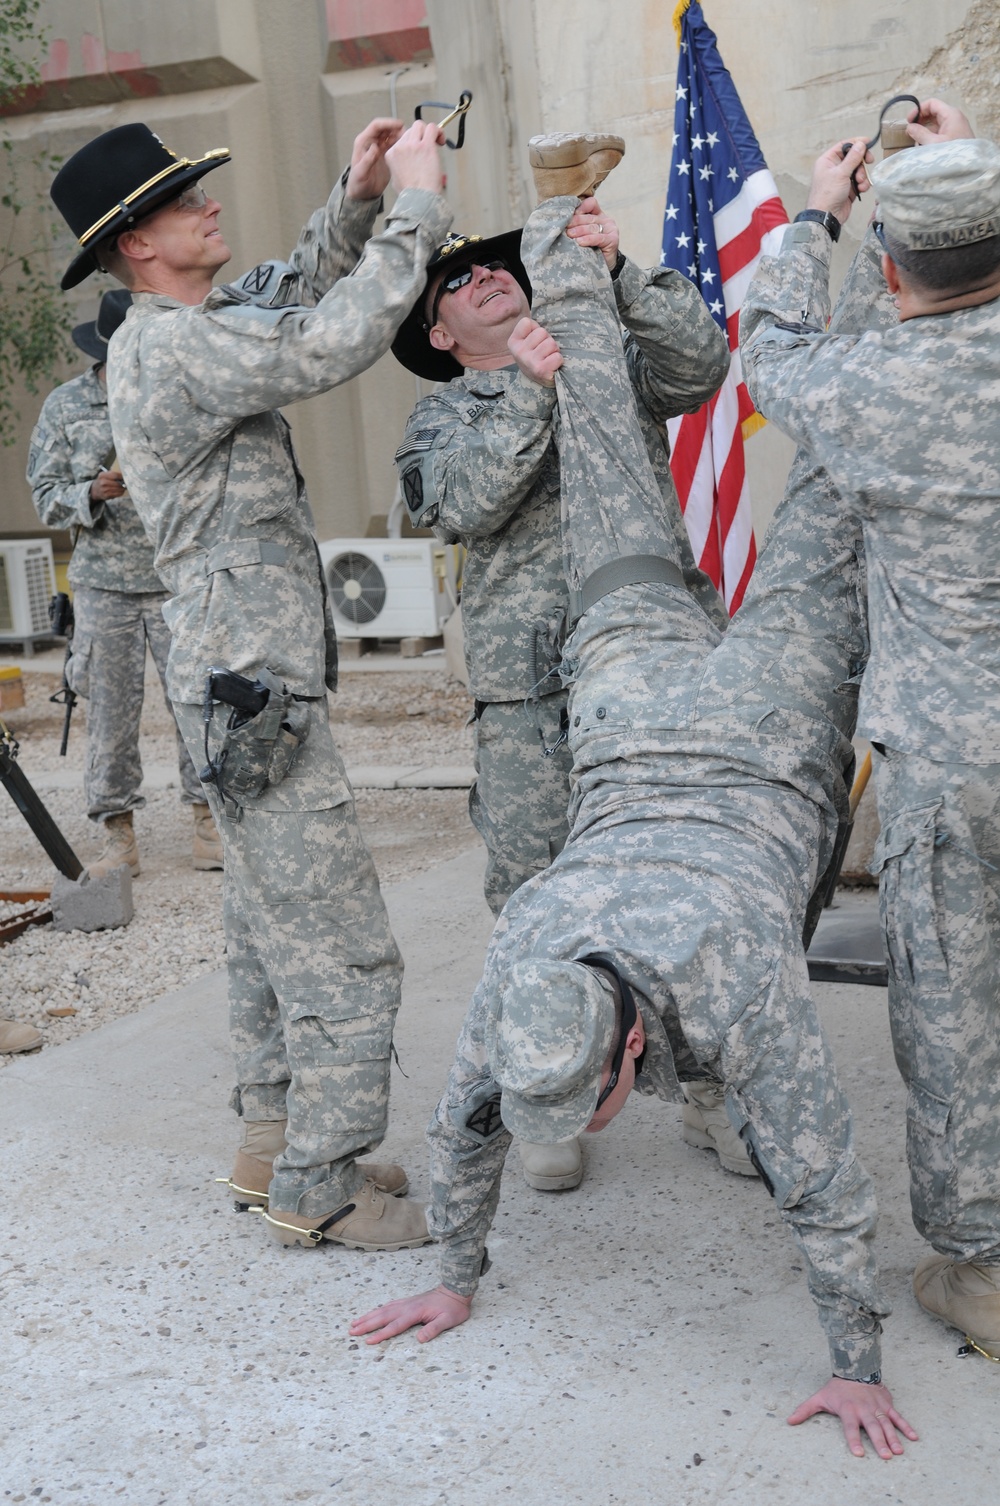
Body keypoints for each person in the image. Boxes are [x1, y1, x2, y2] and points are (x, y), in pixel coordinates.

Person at [352, 139, 917, 1460]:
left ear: (625, 1065)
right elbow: (467, 1124)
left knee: (836, 461)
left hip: (752, 726)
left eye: (594, 1108)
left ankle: (855, 215)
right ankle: (843, 210)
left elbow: (826, 1175)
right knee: (610, 423)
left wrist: (857, 1360)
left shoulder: (728, 976)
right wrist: (452, 1269)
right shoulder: (523, 962)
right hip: (629, 697)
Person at [48, 115, 452, 1251]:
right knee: (340, 933)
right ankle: (320, 1187)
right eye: (185, 203)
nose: (211, 208)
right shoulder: (173, 347)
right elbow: (321, 343)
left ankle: (274, 1137)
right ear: (136, 246)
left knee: (270, 919)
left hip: (237, 669)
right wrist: (418, 208)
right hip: (250, 675)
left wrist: (363, 190)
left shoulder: (184, 323)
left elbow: (293, 284)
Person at [391, 132, 735, 1192]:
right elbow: (464, 501)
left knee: (683, 883)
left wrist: (620, 272)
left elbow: (702, 364)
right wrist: (533, 391)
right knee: (539, 896)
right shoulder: (439, 417)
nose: (485, 274)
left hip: (646, 670)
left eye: (496, 261)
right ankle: (547, 1095)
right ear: (443, 336)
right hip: (533, 700)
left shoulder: (598, 351)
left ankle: (714, 1093)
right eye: (456, 281)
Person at [740, 104, 1000, 1363]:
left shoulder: (870, 385)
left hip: (952, 762)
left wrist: (818, 212)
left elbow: (768, 345)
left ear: (893, 271)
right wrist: (964, 164)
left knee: (954, 1002)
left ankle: (986, 1273)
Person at [27, 289, 221, 878]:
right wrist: (89, 492)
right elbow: (44, 495)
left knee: (197, 703)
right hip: (104, 587)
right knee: (110, 715)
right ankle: (118, 833)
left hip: (174, 577)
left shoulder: (171, 393)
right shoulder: (66, 407)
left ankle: (207, 820)